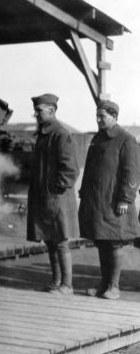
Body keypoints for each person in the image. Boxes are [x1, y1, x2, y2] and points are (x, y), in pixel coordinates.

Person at [79, 99, 140, 300]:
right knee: (103, 242)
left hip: (116, 202)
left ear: (114, 117)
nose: (98, 119)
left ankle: (114, 287)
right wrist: (83, 191)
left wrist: (125, 198)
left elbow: (131, 173)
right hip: (98, 201)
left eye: (102, 116)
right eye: (97, 116)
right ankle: (104, 284)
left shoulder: (126, 140)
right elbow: (89, 168)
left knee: (114, 243)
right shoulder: (98, 138)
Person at [27, 93, 79, 295]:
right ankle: (57, 282)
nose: (36, 114)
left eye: (39, 111)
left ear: (52, 110)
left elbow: (70, 170)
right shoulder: (44, 134)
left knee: (60, 242)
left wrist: (55, 189)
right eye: (36, 111)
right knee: (50, 240)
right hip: (45, 198)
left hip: (57, 199)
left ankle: (67, 285)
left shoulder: (61, 134)